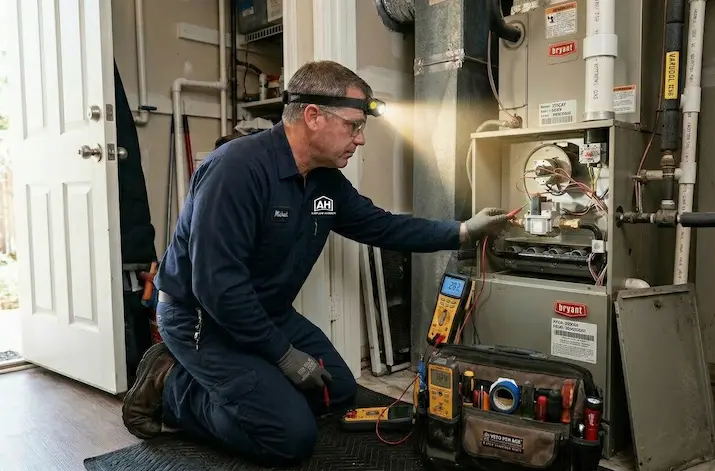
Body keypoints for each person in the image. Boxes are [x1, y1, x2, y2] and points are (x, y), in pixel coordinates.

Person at [121, 60, 512, 466]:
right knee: (289, 437)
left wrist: (464, 230)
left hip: (264, 312)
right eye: (353, 126)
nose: (360, 139)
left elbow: (383, 226)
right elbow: (217, 288)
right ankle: (172, 389)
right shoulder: (235, 170)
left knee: (336, 391)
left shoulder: (324, 181)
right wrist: (283, 355)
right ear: (312, 116)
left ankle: (246, 385)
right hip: (202, 318)